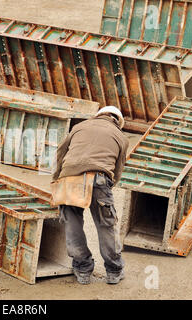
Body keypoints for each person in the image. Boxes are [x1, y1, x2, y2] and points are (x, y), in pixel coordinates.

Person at [51, 106, 129, 285]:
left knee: (72, 224)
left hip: (69, 177)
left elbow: (60, 155)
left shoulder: (79, 127)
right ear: (118, 122)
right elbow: (117, 171)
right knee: (106, 225)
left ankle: (83, 269)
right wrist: (107, 188)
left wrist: (57, 181)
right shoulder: (121, 137)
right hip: (99, 179)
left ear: (98, 115)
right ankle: (114, 271)